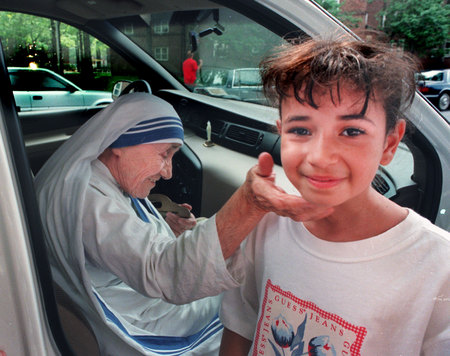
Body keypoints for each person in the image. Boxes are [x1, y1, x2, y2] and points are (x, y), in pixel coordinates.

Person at [35, 92, 331, 355]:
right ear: (120, 143)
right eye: (164, 155)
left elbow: (111, 234)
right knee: (247, 306)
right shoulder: (88, 198)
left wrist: (164, 225)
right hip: (136, 313)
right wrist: (248, 205)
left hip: (127, 292)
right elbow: (166, 276)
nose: (168, 172)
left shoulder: (90, 178)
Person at [219, 36, 450, 355]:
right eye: (300, 130)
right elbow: (240, 325)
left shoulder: (438, 267)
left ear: (390, 143)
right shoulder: (266, 224)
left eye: (352, 132)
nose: (320, 156)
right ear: (280, 131)